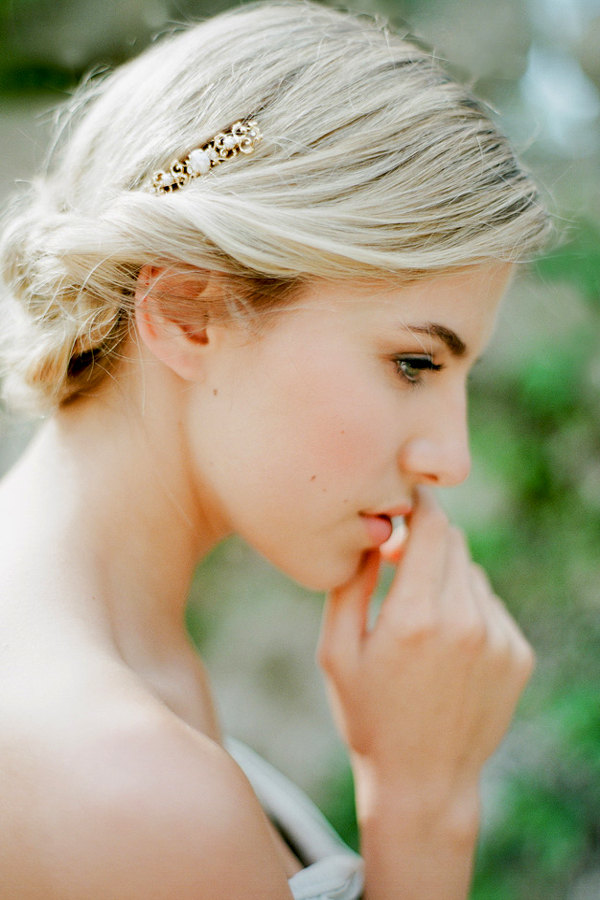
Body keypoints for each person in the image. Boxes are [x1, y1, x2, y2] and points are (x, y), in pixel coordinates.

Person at [0, 2, 550, 898]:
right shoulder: (120, 788)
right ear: (187, 309)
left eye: (461, 375)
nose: (451, 459)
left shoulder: (111, 675)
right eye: (414, 362)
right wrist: (423, 808)